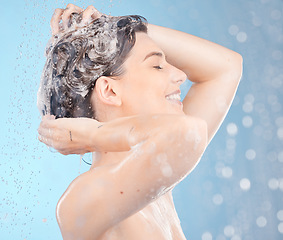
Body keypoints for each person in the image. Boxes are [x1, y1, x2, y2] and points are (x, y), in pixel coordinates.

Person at [37, 4, 242, 240]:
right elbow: (189, 132)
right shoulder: (85, 197)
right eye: (157, 66)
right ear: (110, 91)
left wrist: (106, 27)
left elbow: (226, 67)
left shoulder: (153, 185)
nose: (181, 75)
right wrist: (96, 135)